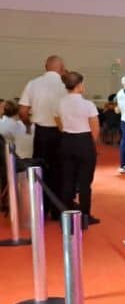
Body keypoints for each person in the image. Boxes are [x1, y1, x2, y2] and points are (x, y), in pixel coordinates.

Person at [19, 55, 67, 214]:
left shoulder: (33, 84)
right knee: (60, 170)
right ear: (62, 68)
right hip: (61, 132)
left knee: (40, 170)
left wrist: (28, 123)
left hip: (41, 133)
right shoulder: (66, 85)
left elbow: (23, 111)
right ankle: (58, 209)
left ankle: (41, 208)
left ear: (45, 67)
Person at [54, 71, 100, 227]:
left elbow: (57, 121)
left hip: (67, 141)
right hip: (84, 141)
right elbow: (95, 128)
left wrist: (66, 129)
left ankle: (67, 215)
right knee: (85, 183)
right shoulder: (88, 104)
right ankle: (85, 216)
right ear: (79, 85)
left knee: (67, 180)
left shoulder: (60, 102)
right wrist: (90, 144)